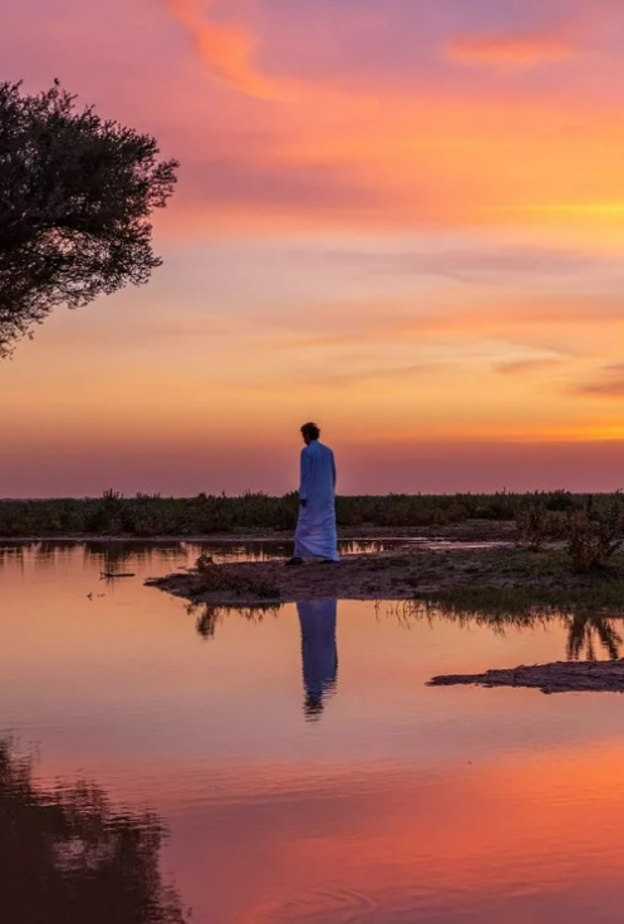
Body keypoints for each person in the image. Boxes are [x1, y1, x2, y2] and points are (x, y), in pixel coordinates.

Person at [286, 422, 339, 565]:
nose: (303, 439)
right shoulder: (328, 451)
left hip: (312, 495)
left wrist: (303, 495)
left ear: (307, 435)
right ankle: (329, 555)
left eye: (304, 436)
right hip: (326, 494)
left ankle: (299, 556)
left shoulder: (307, 452)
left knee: (304, 524)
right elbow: (333, 474)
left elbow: (305, 475)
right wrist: (331, 492)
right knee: (327, 524)